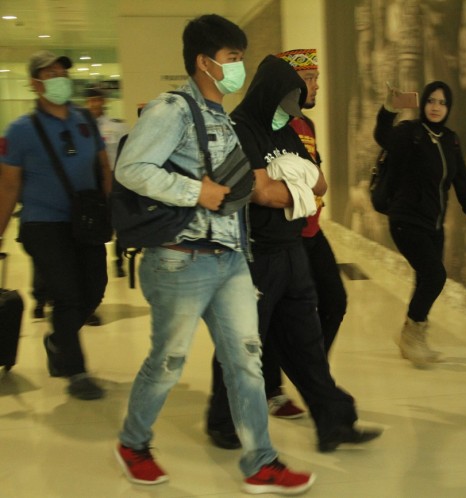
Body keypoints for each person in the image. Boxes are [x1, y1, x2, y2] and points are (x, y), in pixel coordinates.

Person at [113, 15, 314, 495]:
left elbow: (234, 194)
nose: (238, 68)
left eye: (241, 58)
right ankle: (132, 443)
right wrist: (192, 191)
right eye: (232, 58)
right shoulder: (172, 110)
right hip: (180, 259)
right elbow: (131, 168)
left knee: (246, 359)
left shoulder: (222, 115)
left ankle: (261, 461)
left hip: (228, 261)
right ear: (204, 62)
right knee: (168, 361)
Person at [206, 54, 381, 453]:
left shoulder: (286, 130)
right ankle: (222, 419)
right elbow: (261, 192)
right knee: (243, 343)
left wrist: (291, 185)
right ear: (272, 92)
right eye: (292, 94)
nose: (297, 104)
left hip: (292, 249)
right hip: (254, 256)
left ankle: (334, 422)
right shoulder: (241, 128)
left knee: (307, 343)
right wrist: (293, 185)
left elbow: (318, 184)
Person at [0, 50, 111, 400]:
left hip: (86, 221)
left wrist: (111, 207)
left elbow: (103, 167)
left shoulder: (84, 120)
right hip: (43, 223)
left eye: (62, 71)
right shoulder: (19, 131)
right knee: (67, 295)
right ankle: (75, 370)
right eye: (50, 73)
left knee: (94, 288)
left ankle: (57, 339)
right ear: (35, 84)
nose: (59, 77)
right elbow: (8, 186)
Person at [250, 48, 348, 420]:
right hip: (281, 233)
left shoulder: (306, 126)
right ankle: (272, 387)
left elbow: (316, 175)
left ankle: (309, 374)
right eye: (308, 79)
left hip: (311, 229)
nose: (315, 86)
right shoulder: (269, 124)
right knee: (273, 313)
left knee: (334, 301)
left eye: (315, 78)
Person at [374, 81, 466, 368]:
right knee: (435, 276)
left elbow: (461, 180)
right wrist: (389, 107)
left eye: (442, 102)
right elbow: (383, 135)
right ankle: (412, 334)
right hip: (405, 220)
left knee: (425, 278)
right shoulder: (409, 132)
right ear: (423, 103)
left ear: (448, 108)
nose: (436, 107)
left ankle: (414, 337)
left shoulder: (451, 139)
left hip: (434, 225)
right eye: (431, 101)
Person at [85, 87, 128, 278]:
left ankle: (119, 260)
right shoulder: (79, 127)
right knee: (92, 223)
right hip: (88, 183)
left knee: (117, 222)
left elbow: (125, 153)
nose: (94, 104)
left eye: (97, 100)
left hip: (112, 178)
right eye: (91, 100)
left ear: (104, 101)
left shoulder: (117, 126)